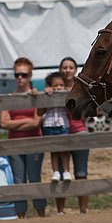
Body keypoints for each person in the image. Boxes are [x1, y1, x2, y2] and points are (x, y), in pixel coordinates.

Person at [0, 57, 46, 218]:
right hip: (14, 144)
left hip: (33, 142)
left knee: (34, 179)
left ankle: (41, 214)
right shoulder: (8, 97)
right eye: (17, 74)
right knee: (18, 181)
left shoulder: (35, 96)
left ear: (30, 76)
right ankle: (21, 216)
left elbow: (36, 123)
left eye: (24, 75)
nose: (20, 78)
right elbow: (3, 123)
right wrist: (27, 121)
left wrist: (16, 122)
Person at [58, 57, 89, 214]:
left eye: (70, 67)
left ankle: (83, 209)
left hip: (79, 130)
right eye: (64, 67)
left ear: (75, 70)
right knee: (62, 173)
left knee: (81, 173)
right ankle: (60, 210)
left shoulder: (82, 88)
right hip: (61, 132)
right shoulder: (54, 86)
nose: (67, 70)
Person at [38, 72, 72, 186]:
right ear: (49, 85)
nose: (58, 88)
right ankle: (56, 171)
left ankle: (66, 171)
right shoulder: (48, 94)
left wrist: (67, 92)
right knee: (53, 151)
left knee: (64, 150)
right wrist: (46, 94)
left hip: (63, 124)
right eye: (55, 85)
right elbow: (41, 110)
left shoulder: (66, 94)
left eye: (61, 85)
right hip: (49, 124)